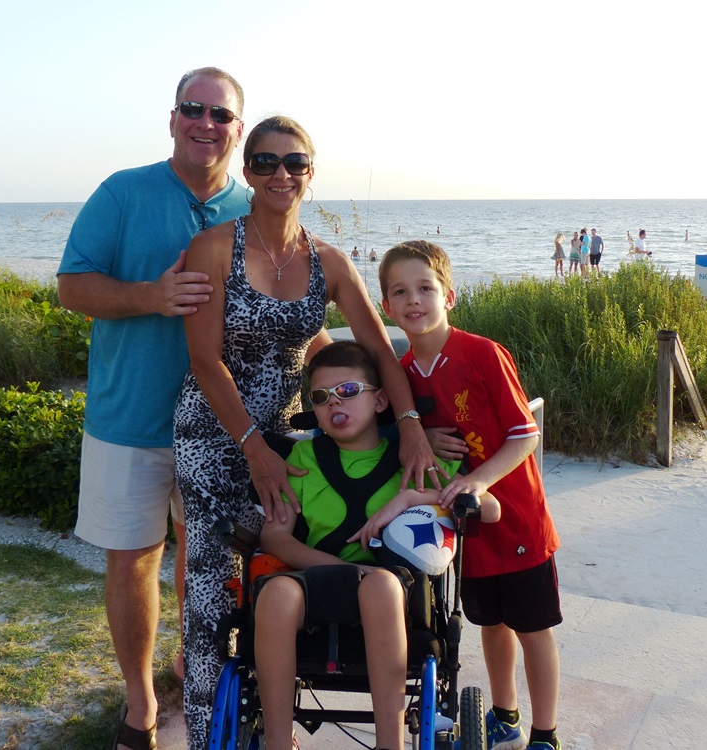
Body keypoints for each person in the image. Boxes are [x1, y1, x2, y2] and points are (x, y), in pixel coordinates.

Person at [173, 115, 444, 750]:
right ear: (247, 172)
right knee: (212, 589)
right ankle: (218, 733)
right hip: (216, 434)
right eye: (264, 162)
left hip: (293, 433)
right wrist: (252, 446)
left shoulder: (329, 262)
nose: (279, 174)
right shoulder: (216, 247)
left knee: (273, 567)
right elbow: (203, 361)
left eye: (293, 162)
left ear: (310, 174)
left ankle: (280, 717)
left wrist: (410, 426)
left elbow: (381, 352)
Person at [56, 66, 248, 750]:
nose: (206, 123)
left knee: (206, 559)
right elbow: (72, 287)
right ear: (172, 120)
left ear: (237, 128)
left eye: (220, 114)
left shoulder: (255, 208)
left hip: (221, 424)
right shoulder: (123, 192)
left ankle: (189, 665)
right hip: (129, 418)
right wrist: (151, 296)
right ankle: (140, 704)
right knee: (134, 559)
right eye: (192, 110)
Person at [256, 341, 501, 750]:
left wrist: (411, 497)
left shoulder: (414, 457)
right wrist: (336, 568)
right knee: (276, 594)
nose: (335, 402)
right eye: (321, 397)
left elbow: (488, 509)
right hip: (316, 576)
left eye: (349, 391)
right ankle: (278, 742)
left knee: (381, 587)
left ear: (381, 399)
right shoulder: (303, 457)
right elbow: (275, 537)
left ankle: (391, 744)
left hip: (392, 588)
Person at [379, 240, 563, 750]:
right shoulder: (402, 376)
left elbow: (526, 433)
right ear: (387, 307)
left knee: (533, 627)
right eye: (400, 292)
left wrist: (480, 479)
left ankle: (545, 732)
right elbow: (398, 433)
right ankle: (505, 715)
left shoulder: (481, 352)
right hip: (460, 524)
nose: (414, 300)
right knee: (490, 622)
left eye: (425, 288)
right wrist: (414, 435)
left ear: (449, 296)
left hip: (517, 519)